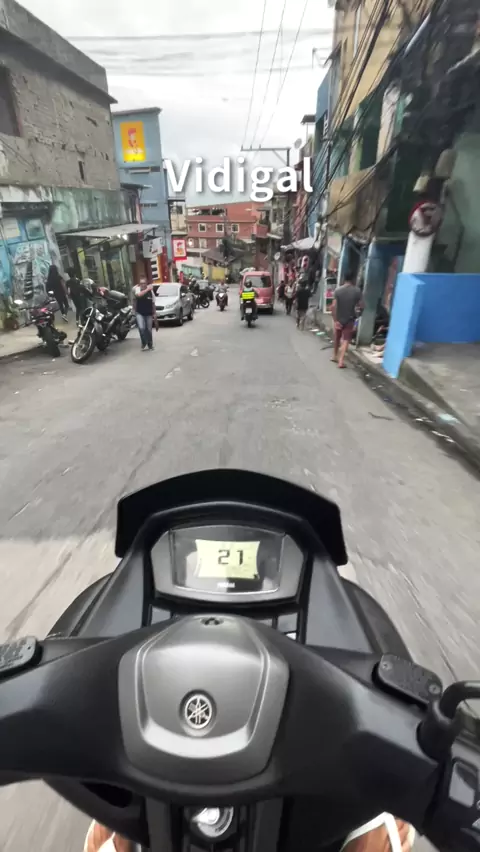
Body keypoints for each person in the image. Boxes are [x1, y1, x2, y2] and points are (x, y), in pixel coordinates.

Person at [331, 274, 363, 369]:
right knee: (346, 340)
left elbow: (333, 306)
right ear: (353, 279)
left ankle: (334, 356)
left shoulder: (338, 290)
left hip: (339, 318)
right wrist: (358, 315)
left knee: (337, 337)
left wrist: (335, 320)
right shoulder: (357, 291)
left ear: (344, 279)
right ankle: (341, 361)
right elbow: (361, 306)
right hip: (350, 319)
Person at [133, 274, 156, 351]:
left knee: (149, 329)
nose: (143, 285)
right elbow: (138, 295)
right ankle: (143, 342)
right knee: (141, 328)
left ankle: (150, 344)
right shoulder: (137, 289)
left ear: (146, 283)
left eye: (144, 283)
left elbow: (153, 303)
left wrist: (154, 314)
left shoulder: (151, 292)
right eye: (141, 283)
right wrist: (147, 289)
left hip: (149, 313)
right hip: (139, 312)